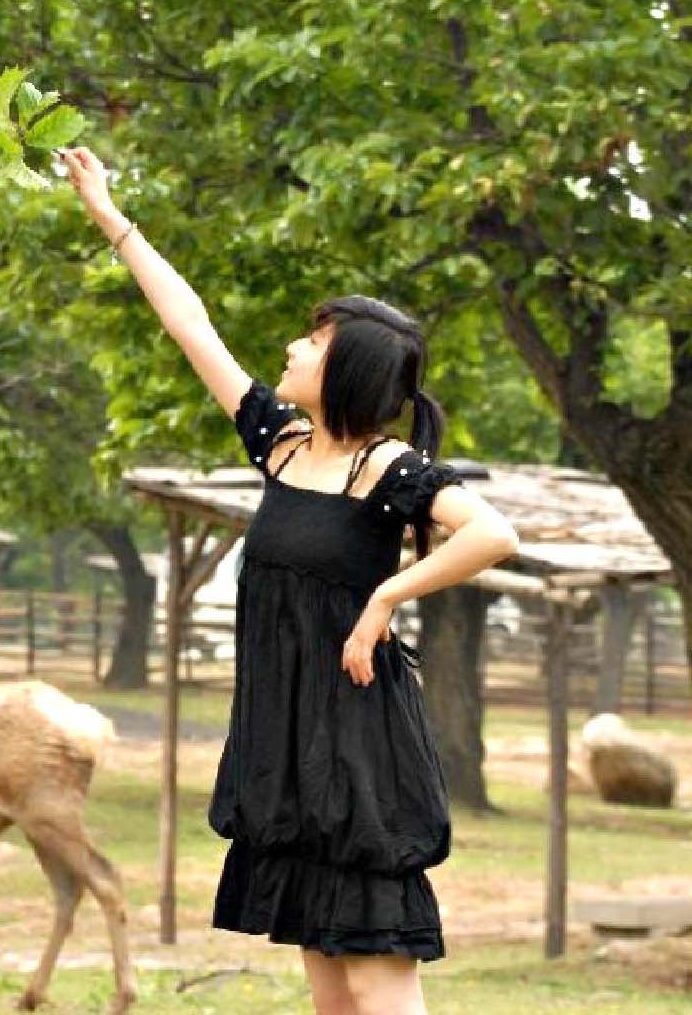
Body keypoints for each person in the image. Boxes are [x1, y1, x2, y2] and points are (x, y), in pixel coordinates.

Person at [61, 147, 520, 1015]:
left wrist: (385, 599)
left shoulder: (389, 468)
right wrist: (110, 217)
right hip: (288, 739)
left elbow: (495, 534)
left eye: (310, 343)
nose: (290, 348)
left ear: (343, 371)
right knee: (329, 985)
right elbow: (190, 324)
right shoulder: (280, 444)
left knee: (376, 976)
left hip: (359, 743)